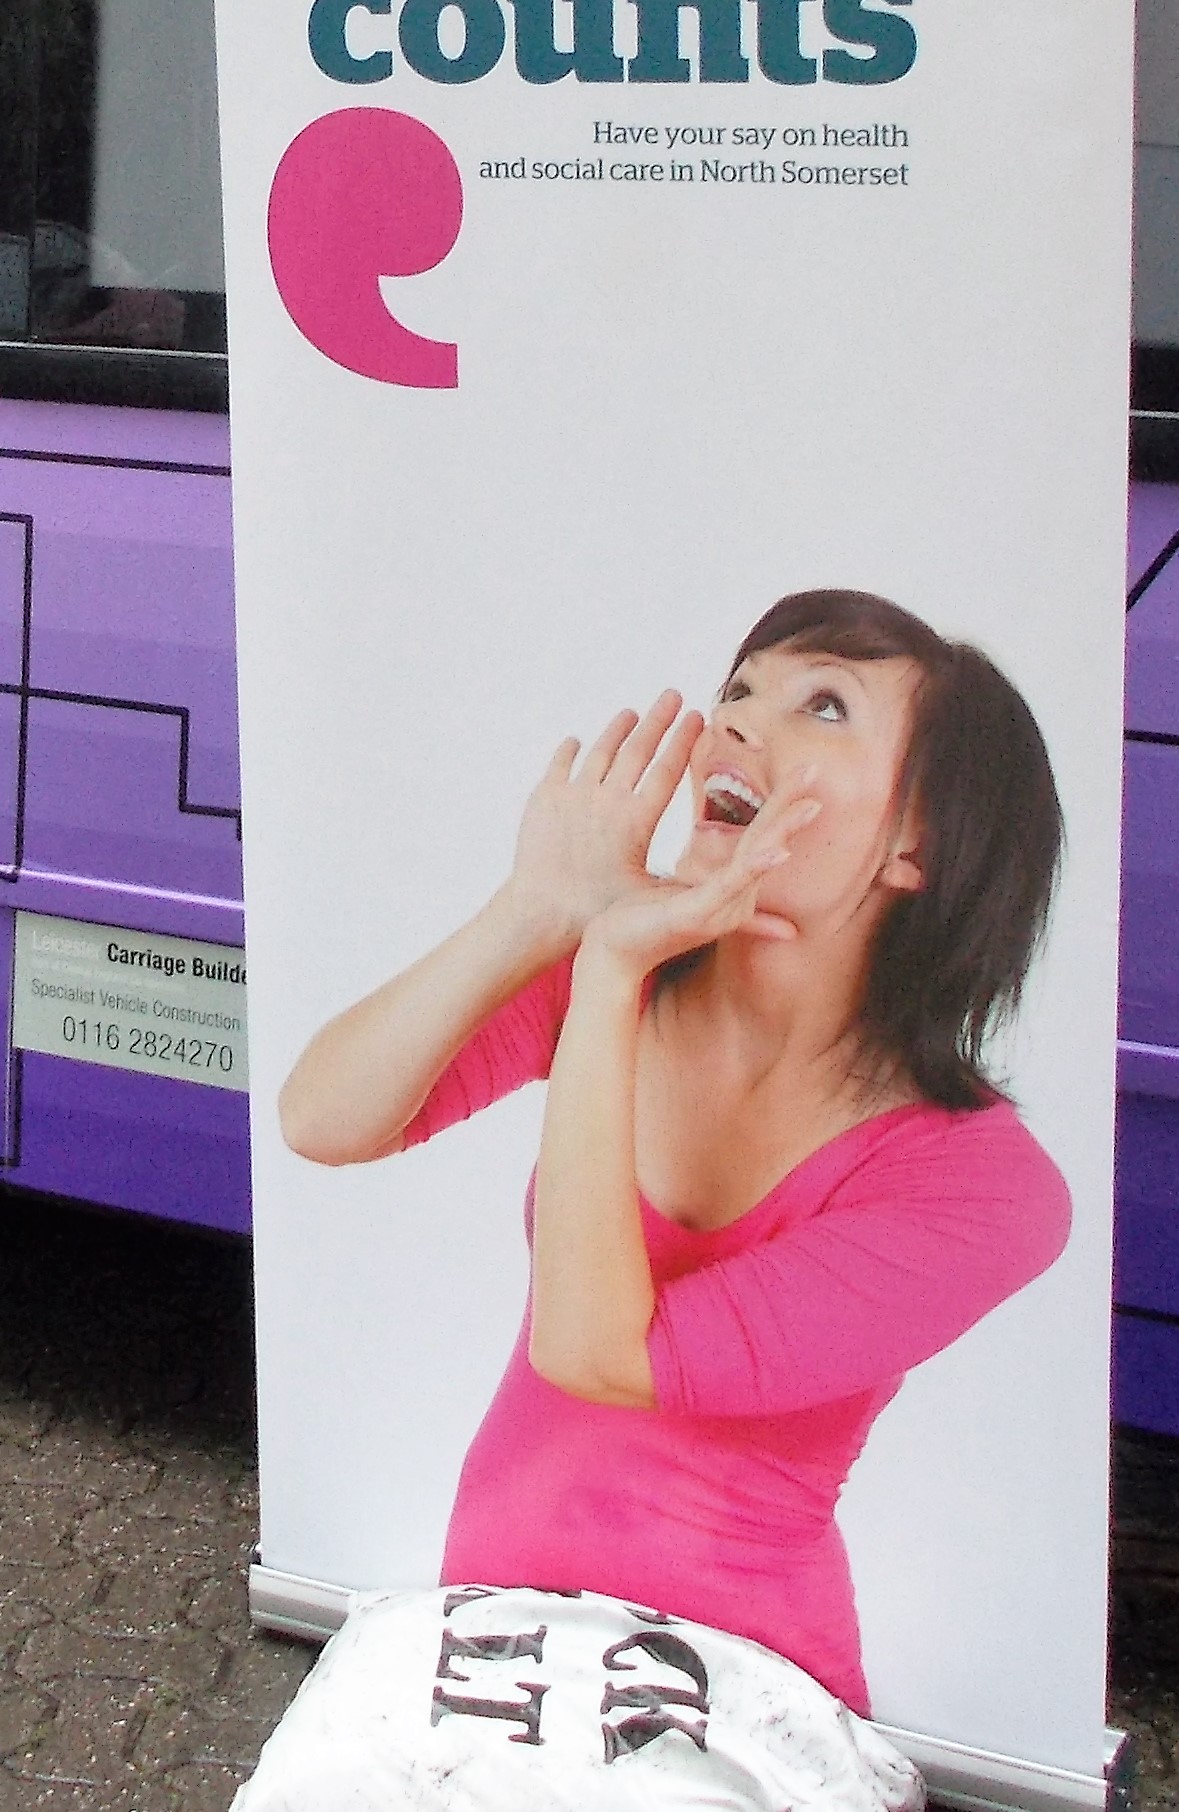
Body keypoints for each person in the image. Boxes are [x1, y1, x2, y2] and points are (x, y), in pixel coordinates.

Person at [276, 587, 1072, 1714]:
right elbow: (324, 1116)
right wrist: (536, 909)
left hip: (738, 1716)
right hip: (497, 1664)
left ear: (918, 844)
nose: (735, 725)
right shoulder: (618, 976)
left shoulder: (983, 1188)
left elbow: (598, 1352)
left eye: (825, 707)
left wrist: (607, 972)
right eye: (737, 692)